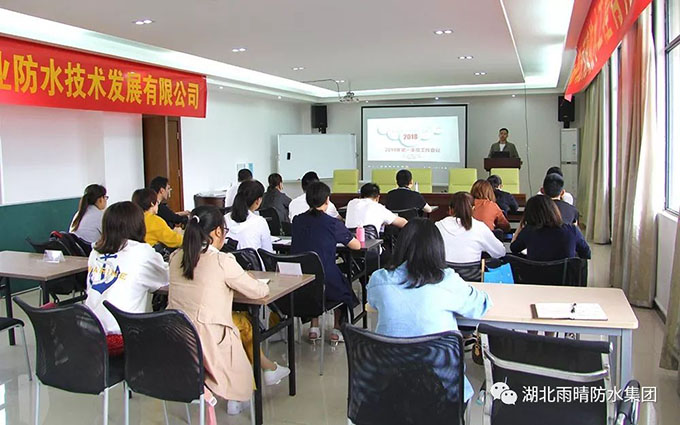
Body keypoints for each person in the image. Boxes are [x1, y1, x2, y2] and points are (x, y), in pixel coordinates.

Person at [167, 206, 289, 417]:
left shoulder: (176, 257)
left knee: (238, 322)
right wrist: (248, 278)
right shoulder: (221, 261)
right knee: (244, 324)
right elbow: (260, 291)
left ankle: (263, 373)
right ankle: (241, 391)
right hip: (209, 340)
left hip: (178, 337)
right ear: (217, 232)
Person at [367, 218, 491, 404]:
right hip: (443, 391)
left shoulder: (379, 279)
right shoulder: (448, 280)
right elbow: (478, 307)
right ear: (437, 248)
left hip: (389, 388)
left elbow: (373, 302)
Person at [85, 201, 169, 354]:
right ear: (138, 225)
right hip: (123, 335)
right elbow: (166, 278)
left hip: (89, 332)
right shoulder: (142, 252)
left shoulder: (95, 251)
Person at [291, 182, 360, 342]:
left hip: (301, 280)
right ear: (327, 200)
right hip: (326, 277)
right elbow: (356, 246)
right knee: (344, 289)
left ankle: (314, 328)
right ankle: (336, 329)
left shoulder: (297, 220)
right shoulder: (332, 223)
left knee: (314, 283)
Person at [510, 195, 591, 261]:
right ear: (554, 210)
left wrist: (520, 226)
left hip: (536, 275)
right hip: (564, 275)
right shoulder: (571, 230)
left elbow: (514, 248)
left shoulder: (528, 231)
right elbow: (586, 254)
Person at [436, 192, 506, 263]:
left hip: (443, 270)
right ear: (473, 209)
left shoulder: (438, 226)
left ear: (450, 209)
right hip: (473, 270)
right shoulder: (480, 227)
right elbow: (500, 252)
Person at [225, 180, 273, 252]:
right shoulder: (260, 222)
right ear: (258, 201)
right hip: (252, 259)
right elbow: (268, 252)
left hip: (228, 259)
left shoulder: (224, 219)